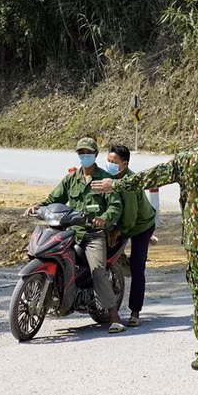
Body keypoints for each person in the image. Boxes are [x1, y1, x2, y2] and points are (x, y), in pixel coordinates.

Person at [92, 105, 198, 373]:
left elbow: (150, 176)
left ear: (196, 129)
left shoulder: (185, 159)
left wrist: (117, 184)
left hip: (196, 242)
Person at [24, 137, 126, 333]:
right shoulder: (71, 179)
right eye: (81, 153)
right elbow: (53, 199)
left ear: (95, 155)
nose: (84, 156)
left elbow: (115, 205)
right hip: (70, 232)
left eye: (88, 153)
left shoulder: (105, 179)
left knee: (98, 271)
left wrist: (104, 218)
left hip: (92, 234)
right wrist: (38, 206)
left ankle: (114, 316)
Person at [105, 144, 156, 328]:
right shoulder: (107, 178)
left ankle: (135, 312)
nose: (110, 164)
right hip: (122, 223)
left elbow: (131, 217)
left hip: (141, 226)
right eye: (108, 160)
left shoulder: (130, 183)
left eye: (114, 162)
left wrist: (118, 231)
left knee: (137, 267)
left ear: (124, 164)